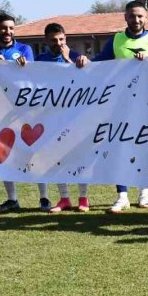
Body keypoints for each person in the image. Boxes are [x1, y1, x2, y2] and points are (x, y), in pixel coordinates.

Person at [93, 1, 148, 214]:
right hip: (120, 104)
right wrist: (76, 58)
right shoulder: (116, 40)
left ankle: (144, 193)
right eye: (132, 16)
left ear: (146, 18)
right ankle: (122, 195)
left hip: (147, 104)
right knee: (119, 147)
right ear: (125, 17)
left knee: (144, 147)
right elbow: (98, 65)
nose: (136, 20)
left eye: (140, 16)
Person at [0, 13, 42, 212]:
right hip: (0, 110)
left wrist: (23, 67)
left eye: (11, 28)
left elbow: (34, 76)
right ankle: (12, 198)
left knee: (34, 152)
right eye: (3, 28)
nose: (7, 32)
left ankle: (44, 198)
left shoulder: (25, 49)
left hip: (24, 110)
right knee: (4, 151)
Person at [35, 23, 91, 212]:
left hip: (76, 115)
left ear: (66, 39)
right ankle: (64, 198)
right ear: (46, 41)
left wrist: (68, 59)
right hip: (51, 115)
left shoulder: (77, 57)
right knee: (56, 157)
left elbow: (90, 79)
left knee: (79, 156)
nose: (58, 43)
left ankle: (83, 198)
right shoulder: (40, 60)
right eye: (53, 40)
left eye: (61, 39)